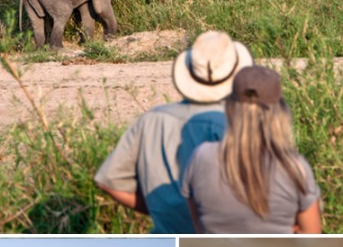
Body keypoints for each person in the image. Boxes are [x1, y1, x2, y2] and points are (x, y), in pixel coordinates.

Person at [94, 30, 253, 233]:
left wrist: (159, 209)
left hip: (166, 241)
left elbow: (109, 181)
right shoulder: (241, 124)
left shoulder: (150, 121)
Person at [181, 65, 322, 233]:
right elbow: (312, 236)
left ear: (230, 108)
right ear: (280, 112)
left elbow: (199, 228)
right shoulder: (295, 167)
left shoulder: (201, 157)